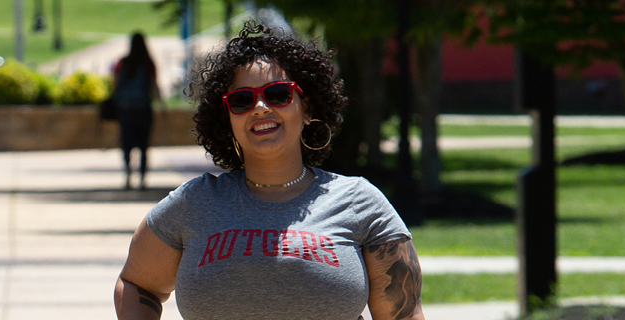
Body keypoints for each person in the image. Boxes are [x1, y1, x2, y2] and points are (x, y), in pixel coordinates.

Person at [113, 22, 424, 320]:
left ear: (307, 108)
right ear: (228, 119)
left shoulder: (360, 203)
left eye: (278, 94)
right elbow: (137, 284)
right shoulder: (193, 204)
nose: (260, 107)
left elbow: (405, 315)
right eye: (242, 100)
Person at [112, 32, 162, 190]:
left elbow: (114, 84)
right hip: (143, 108)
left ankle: (127, 174)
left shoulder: (123, 62)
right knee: (143, 144)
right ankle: (142, 178)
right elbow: (154, 85)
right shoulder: (148, 63)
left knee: (126, 143)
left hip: (126, 109)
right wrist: (160, 104)